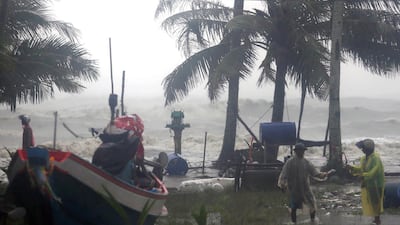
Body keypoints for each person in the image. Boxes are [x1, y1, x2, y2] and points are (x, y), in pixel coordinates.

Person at [277, 142, 329, 224]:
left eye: (302, 150)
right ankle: (294, 222)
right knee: (294, 207)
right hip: (294, 188)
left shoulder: (306, 162)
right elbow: (284, 174)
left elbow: (314, 172)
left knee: (312, 203)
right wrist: (282, 184)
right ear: (296, 151)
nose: (301, 152)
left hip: (305, 188)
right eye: (299, 151)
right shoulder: (290, 162)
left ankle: (313, 220)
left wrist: (323, 175)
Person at [346, 139, 384, 225]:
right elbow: (361, 169)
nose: (362, 150)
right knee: (370, 201)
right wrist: (352, 168)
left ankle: (378, 221)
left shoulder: (375, 159)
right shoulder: (364, 158)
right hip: (368, 183)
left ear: (369, 149)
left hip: (376, 184)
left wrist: (363, 175)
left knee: (376, 202)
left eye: (364, 148)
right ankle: (375, 220)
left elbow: (373, 172)